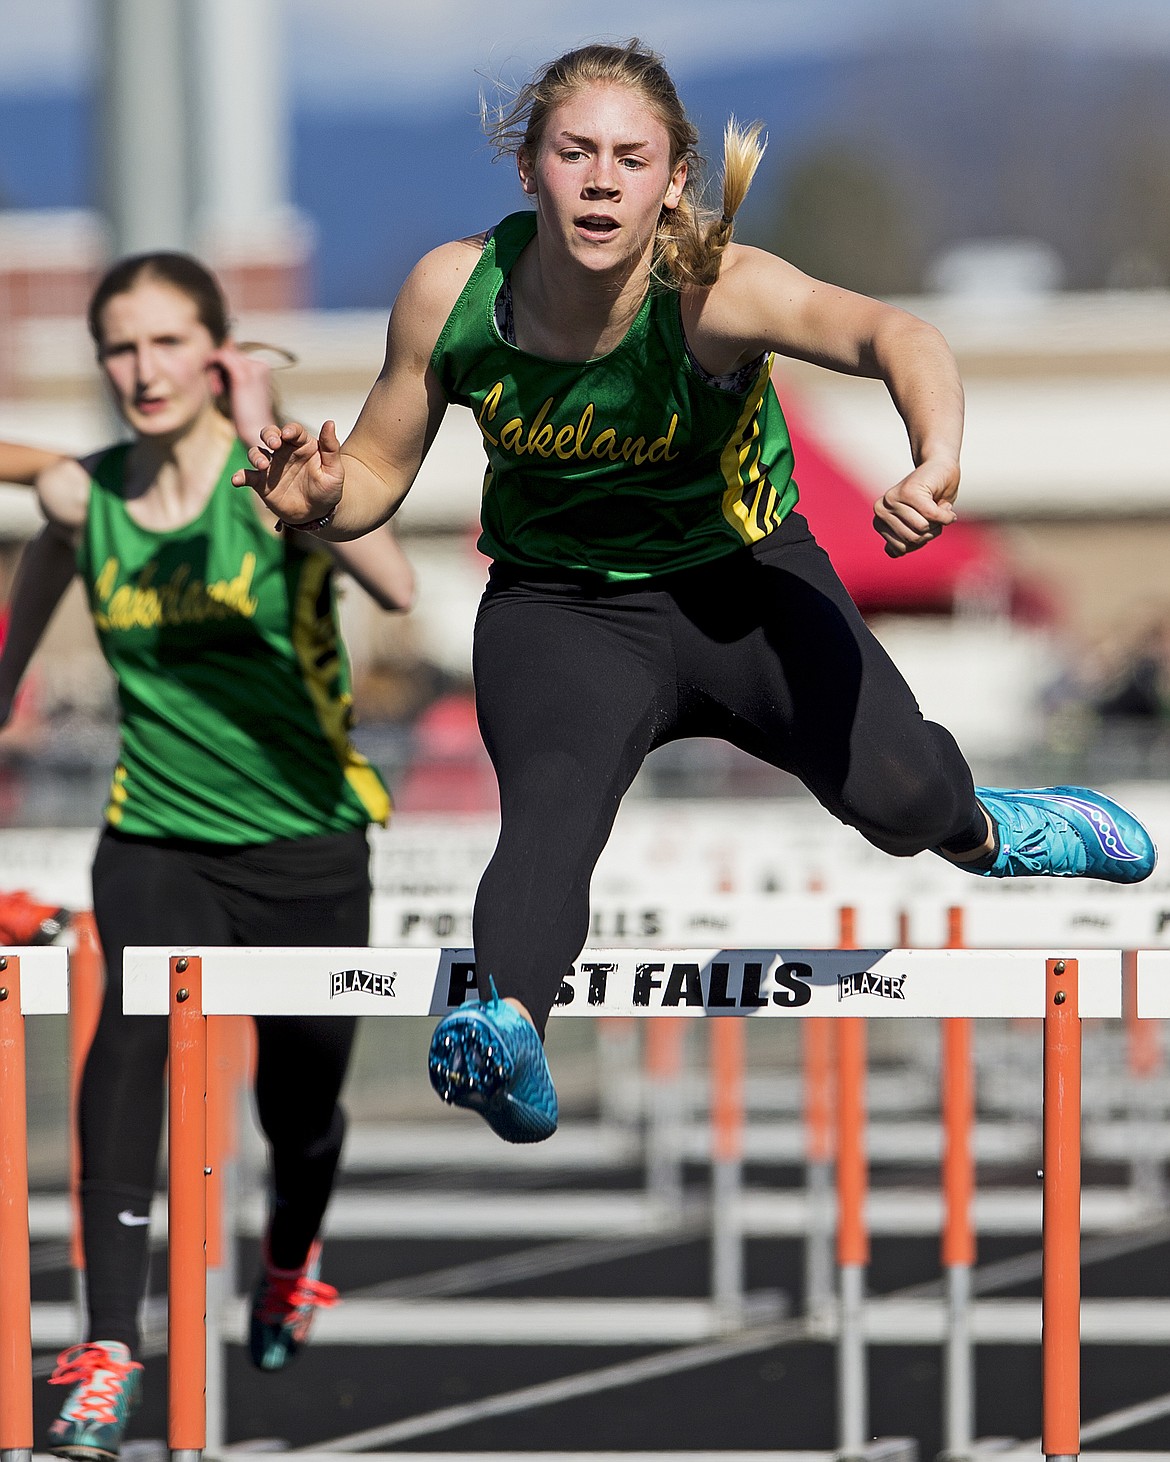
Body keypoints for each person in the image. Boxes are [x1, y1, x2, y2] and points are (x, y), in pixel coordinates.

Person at [236, 39, 1156, 1148]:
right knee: (549, 808)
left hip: (745, 592)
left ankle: (986, 827)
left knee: (902, 798)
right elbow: (378, 469)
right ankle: (505, 1027)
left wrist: (934, 457)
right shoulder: (454, 291)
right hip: (563, 607)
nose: (601, 179)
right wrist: (317, 495)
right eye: (575, 152)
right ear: (530, 169)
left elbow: (895, 333)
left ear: (673, 180)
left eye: (631, 157)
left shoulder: (712, 288)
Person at [0, 251, 415, 1460]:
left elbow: (389, 582)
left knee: (300, 1107)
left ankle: (291, 1253)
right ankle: (106, 1344)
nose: (142, 369)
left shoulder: (278, 484)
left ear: (217, 349)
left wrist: (275, 453)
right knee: (122, 1044)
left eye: (167, 342)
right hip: (157, 833)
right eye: (120, 348)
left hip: (306, 843)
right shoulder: (87, 506)